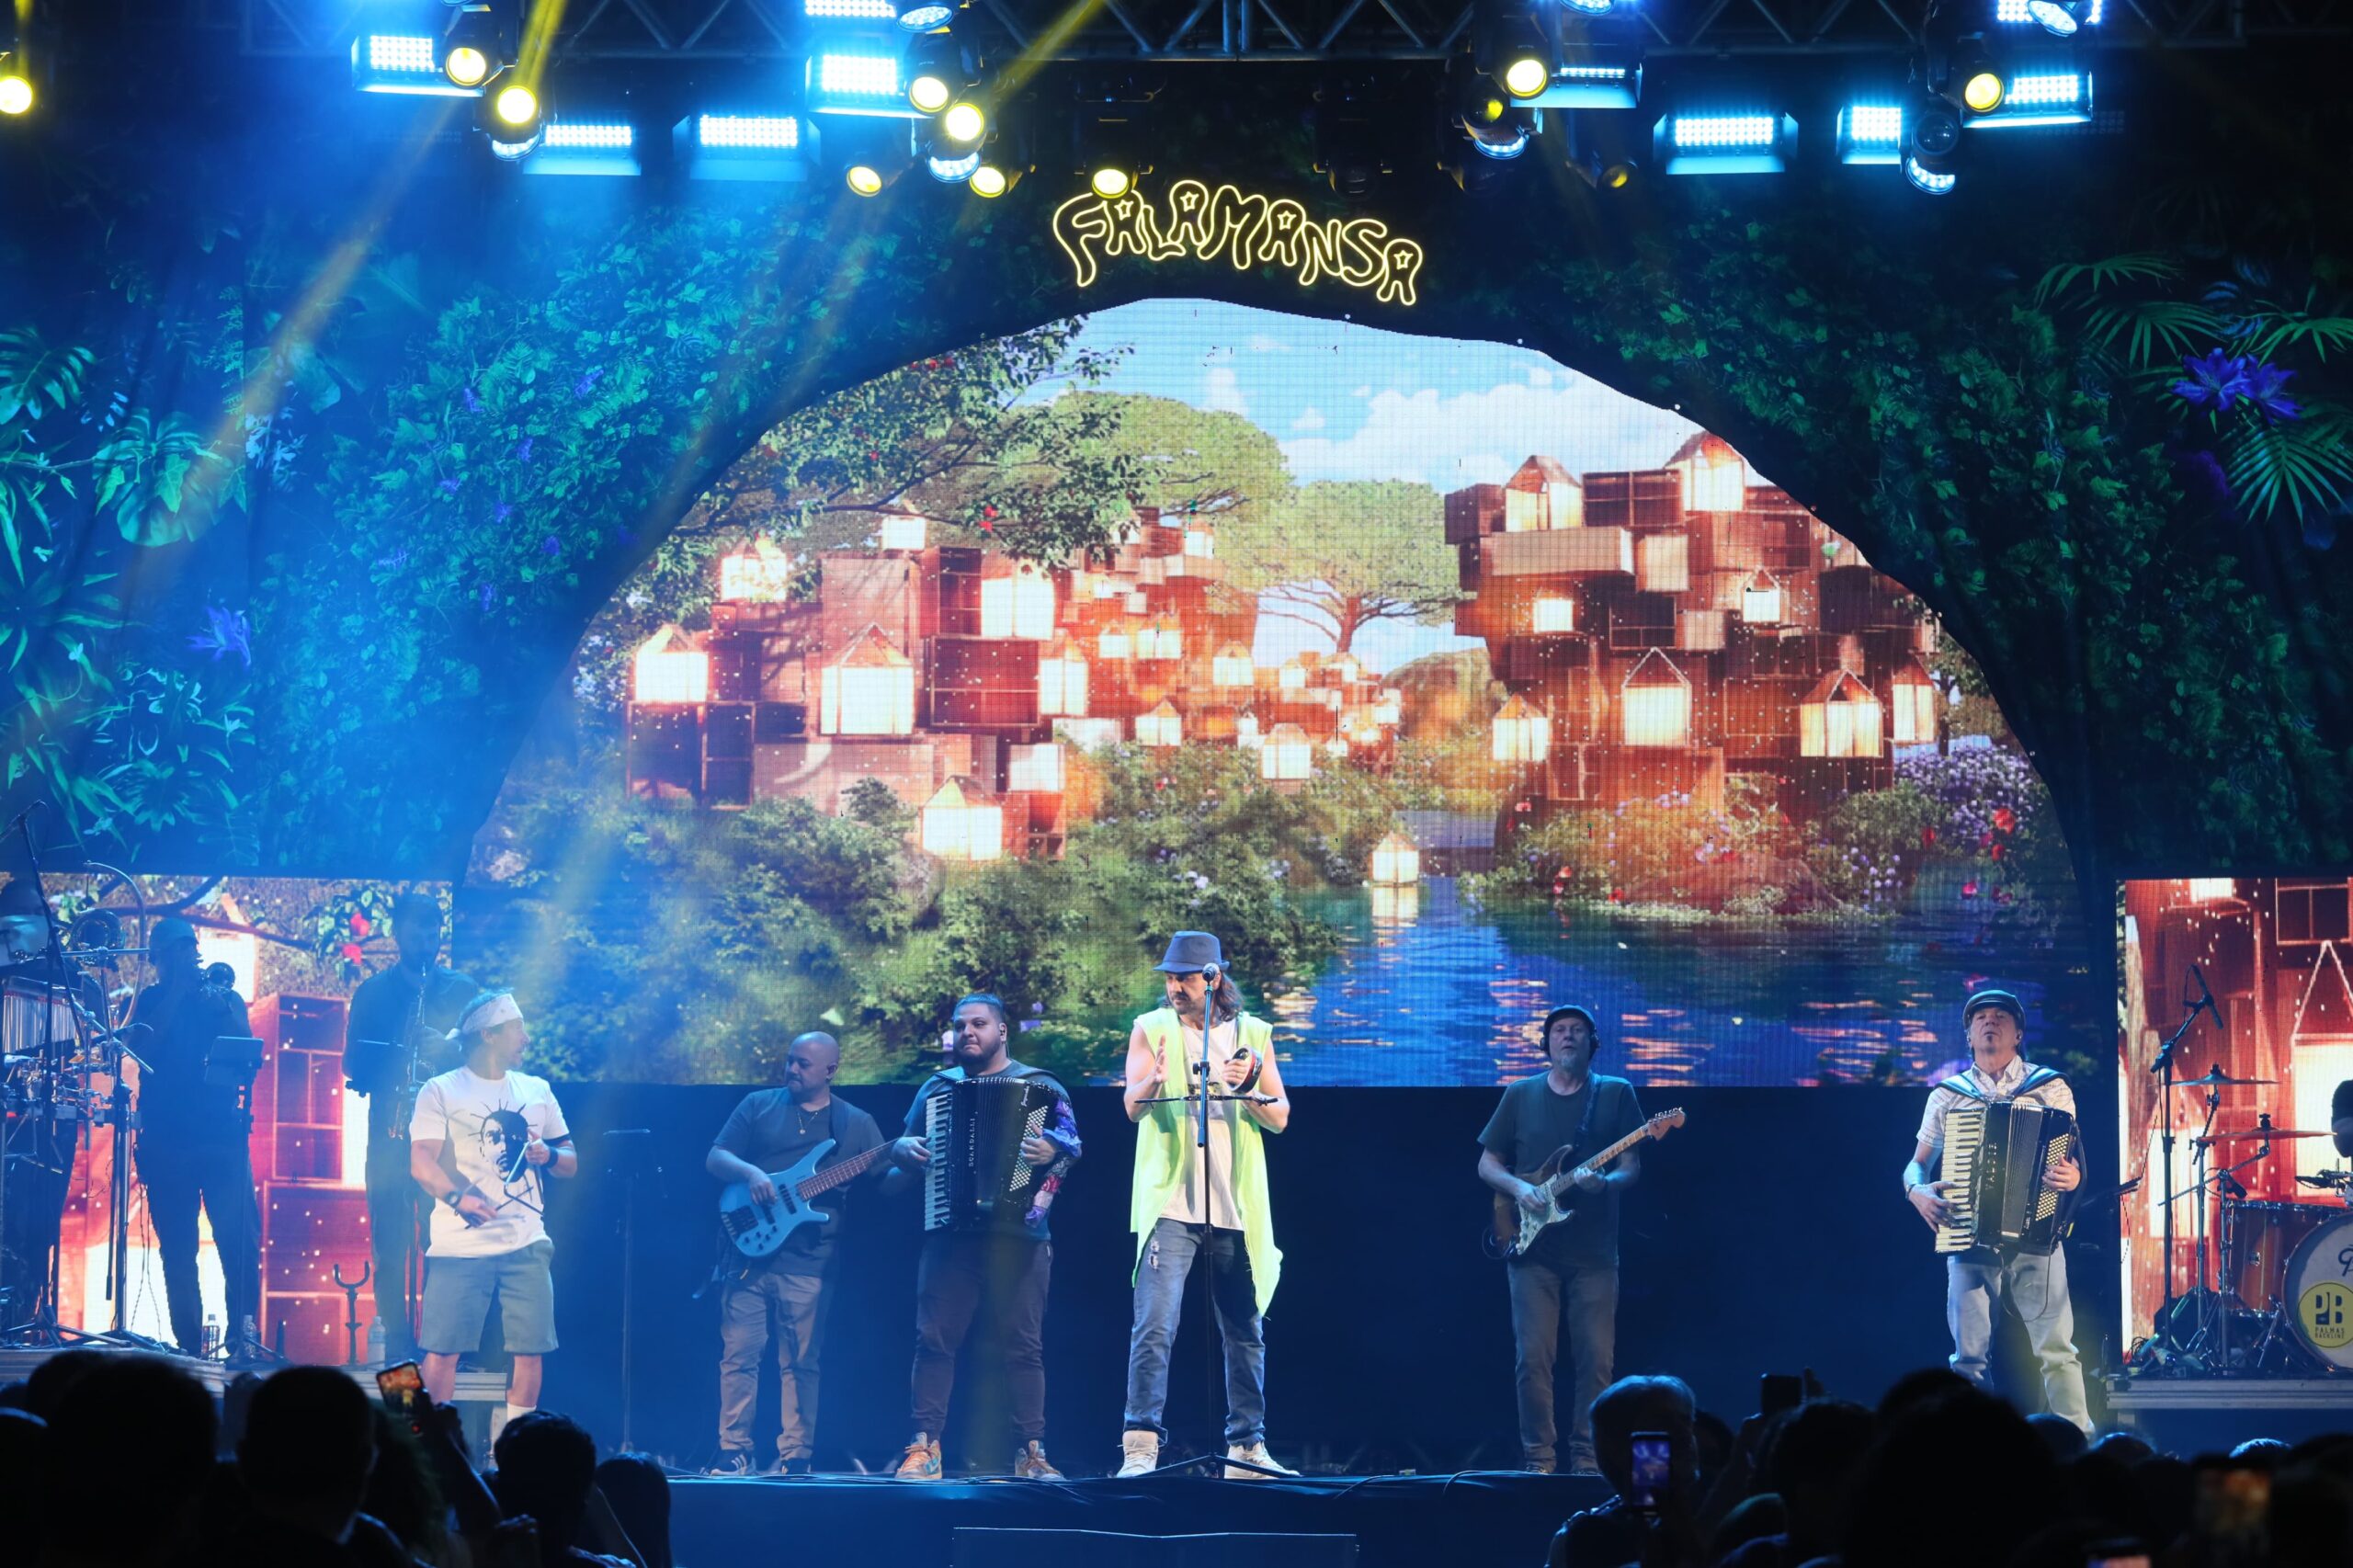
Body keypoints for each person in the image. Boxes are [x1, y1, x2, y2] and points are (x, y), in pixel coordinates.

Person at [1117, 930, 1294, 1480]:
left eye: (1186, 978)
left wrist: (1249, 1090)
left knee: (1245, 1330)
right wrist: (1153, 1078)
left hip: (1233, 1206)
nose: (1175, 987)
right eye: (1170, 978)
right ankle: (1140, 1450)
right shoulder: (1150, 1027)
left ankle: (1246, 1450)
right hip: (1171, 1205)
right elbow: (1132, 1107)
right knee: (1154, 1326)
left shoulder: (1253, 1034)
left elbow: (1281, 1116)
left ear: (1213, 978)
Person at [881, 993, 1080, 1481]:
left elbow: (1073, 1145)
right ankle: (924, 1448)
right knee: (933, 1341)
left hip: (1021, 1236)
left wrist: (1052, 1150)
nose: (967, 1033)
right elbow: (897, 1171)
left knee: (1023, 1346)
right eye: (960, 1025)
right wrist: (900, 1150)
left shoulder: (1042, 1085)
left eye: (978, 1024)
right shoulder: (937, 1088)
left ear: (1001, 1031)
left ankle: (1031, 1452)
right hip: (952, 1233)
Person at [1903, 988, 2092, 1435]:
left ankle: (2078, 1442)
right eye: (1981, 1017)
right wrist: (1916, 1191)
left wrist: (2073, 1178)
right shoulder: (1948, 1095)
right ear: (1968, 1035)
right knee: (1967, 1358)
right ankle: (1972, 1446)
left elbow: (2071, 1158)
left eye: (2001, 1016)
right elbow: (1917, 1163)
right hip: (1966, 1231)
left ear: (2018, 1033)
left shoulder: (2049, 1087)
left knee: (2057, 1351)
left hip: (2037, 1234)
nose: (1990, 1022)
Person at [704, 1030, 884, 1475]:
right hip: (748, 1257)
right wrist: (751, 1175)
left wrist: (907, 1160)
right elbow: (716, 1157)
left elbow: (886, 1181)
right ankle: (733, 1450)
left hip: (810, 1260)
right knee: (738, 1358)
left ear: (830, 1070)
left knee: (801, 1362)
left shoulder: (855, 1123)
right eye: (790, 1060)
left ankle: (796, 1456)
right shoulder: (758, 1104)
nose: (792, 1070)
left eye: (804, 1063)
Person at [1477, 1004, 1644, 1476]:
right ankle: (1540, 1461)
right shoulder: (1520, 1093)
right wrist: (1520, 1189)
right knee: (1532, 1360)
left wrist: (1603, 1184)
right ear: (1546, 1043)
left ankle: (1589, 1460)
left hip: (1595, 1255)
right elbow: (1487, 1164)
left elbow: (1630, 1168)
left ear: (1593, 1043)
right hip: (1532, 1253)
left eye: (1577, 1030)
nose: (1567, 1036)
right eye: (1558, 1031)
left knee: (1597, 1362)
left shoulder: (1616, 1093)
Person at [408, 990, 576, 1423]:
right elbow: (421, 1161)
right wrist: (457, 1198)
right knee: (442, 1351)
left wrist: (548, 1156)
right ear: (488, 1034)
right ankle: (428, 1447)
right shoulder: (441, 1090)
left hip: (526, 1242)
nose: (526, 1038)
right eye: (518, 1028)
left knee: (530, 1351)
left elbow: (570, 1161)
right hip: (460, 1246)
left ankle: (514, 1448)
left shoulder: (537, 1090)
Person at [344, 890, 477, 1364]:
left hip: (445, 1140)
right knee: (389, 1248)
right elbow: (352, 1065)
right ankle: (397, 1357)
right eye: (417, 929)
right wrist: (393, 1058)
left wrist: (450, 1049)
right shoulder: (372, 993)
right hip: (389, 1135)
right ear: (398, 933)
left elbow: (490, 1060)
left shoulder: (463, 991)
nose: (426, 938)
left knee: (441, 1242)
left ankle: (438, 1354)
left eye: (433, 929)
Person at [132, 916, 264, 1358]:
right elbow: (143, 1050)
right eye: (176, 951)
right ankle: (190, 1346)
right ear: (158, 959)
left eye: (190, 948)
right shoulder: (150, 1000)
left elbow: (247, 1053)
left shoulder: (224, 998)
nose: (186, 957)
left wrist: (220, 1005)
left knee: (239, 1245)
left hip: (221, 1138)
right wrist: (175, 994)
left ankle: (242, 1339)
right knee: (178, 1251)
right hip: (167, 1142)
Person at [1546, 1374, 1699, 1568]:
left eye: (1686, 1420)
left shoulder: (1720, 1509)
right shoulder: (1594, 1534)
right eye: (1664, 1425)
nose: (1685, 1434)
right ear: (1616, 1444)